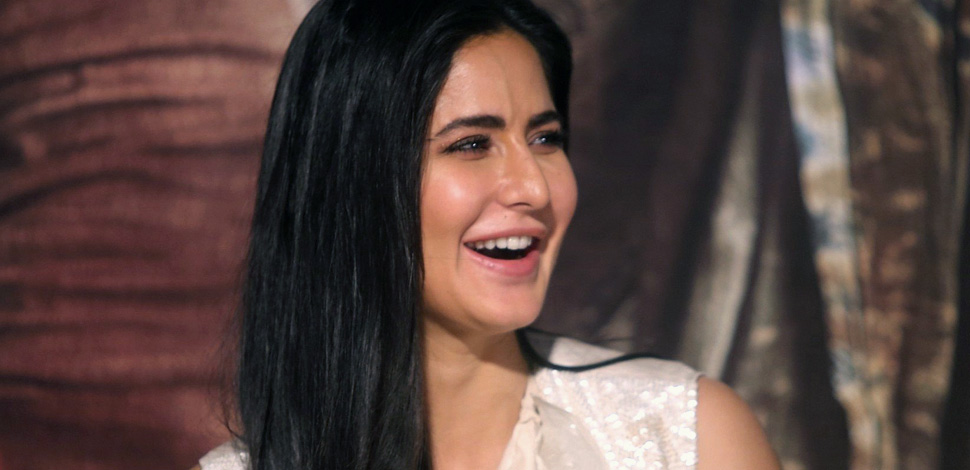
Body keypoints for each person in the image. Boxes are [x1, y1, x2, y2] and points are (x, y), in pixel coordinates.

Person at [196, 0, 781, 468]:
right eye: (472, 144)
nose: (535, 187)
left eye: (545, 139)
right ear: (351, 180)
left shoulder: (688, 438)